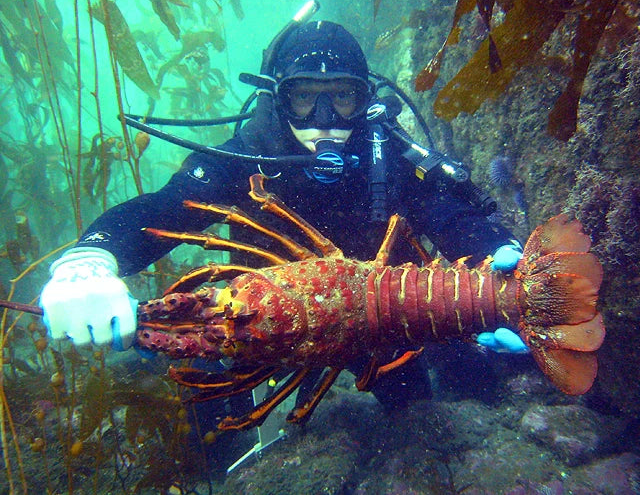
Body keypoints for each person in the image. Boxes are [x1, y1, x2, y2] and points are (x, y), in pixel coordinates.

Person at [39, 20, 526, 410]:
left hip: (397, 325)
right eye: (304, 97)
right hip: (268, 335)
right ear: (278, 97)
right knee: (202, 388)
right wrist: (90, 259)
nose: (324, 119)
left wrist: (497, 248)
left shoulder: (384, 156)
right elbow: (167, 208)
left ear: (364, 99)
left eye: (341, 96)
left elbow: (446, 213)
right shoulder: (245, 159)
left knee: (433, 398)